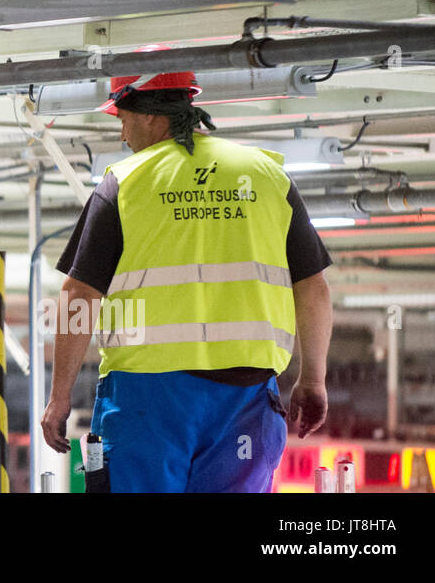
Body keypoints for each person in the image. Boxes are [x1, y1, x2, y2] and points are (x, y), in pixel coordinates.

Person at [40, 67, 333, 493]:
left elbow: (79, 294)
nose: (123, 136)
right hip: (246, 397)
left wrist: (60, 396)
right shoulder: (269, 178)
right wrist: (313, 379)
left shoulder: (126, 182)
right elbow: (313, 287)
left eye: (121, 120)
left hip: (148, 398)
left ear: (146, 115)